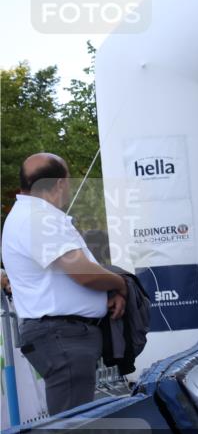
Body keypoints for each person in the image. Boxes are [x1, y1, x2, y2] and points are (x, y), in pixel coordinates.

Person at [1, 153, 127, 414]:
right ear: (60, 183)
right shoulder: (37, 218)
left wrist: (108, 292)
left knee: (74, 426)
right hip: (62, 336)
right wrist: (120, 283)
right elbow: (84, 273)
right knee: (73, 432)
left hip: (63, 335)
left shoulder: (34, 216)